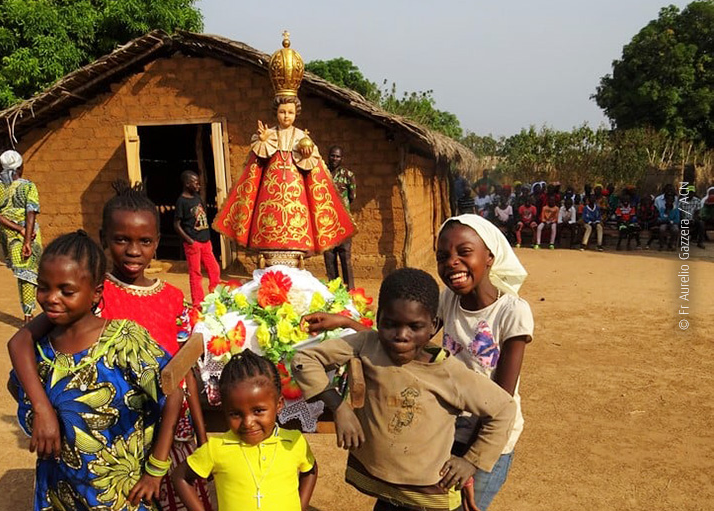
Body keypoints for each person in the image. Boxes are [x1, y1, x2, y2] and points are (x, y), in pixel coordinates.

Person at [7, 183, 213, 511]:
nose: (133, 250)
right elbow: (20, 342)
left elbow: (179, 374)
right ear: (104, 239)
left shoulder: (169, 298)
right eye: (122, 240)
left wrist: (201, 437)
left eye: (144, 241)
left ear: (156, 244)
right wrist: (43, 408)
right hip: (88, 449)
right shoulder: (83, 288)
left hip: (147, 434)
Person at [293, 268, 516, 511]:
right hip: (381, 487)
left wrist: (471, 462)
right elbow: (304, 360)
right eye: (391, 325)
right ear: (379, 320)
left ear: (434, 326)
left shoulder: (449, 374)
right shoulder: (368, 344)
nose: (401, 336)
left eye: (414, 326)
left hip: (427, 496)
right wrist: (339, 408)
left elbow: (503, 409)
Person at [213, 33, 354, 256]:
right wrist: (262, 141)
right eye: (281, 112)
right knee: (268, 221)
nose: (286, 116)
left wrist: (307, 153)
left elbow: (313, 169)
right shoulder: (267, 134)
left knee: (299, 220)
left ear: (296, 113)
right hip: (270, 193)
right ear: (275, 112)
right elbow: (255, 167)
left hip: (297, 191)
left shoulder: (301, 136)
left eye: (290, 112)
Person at [435, 215, 533, 511]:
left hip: (490, 438)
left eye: (464, 252)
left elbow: (501, 398)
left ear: (489, 257)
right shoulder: (447, 300)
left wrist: (471, 459)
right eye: (443, 256)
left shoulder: (512, 311)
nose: (452, 262)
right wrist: (347, 323)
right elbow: (404, 335)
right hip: (450, 430)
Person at [173, 350, 318, 511]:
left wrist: (300, 506)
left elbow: (310, 469)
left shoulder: (293, 442)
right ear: (224, 410)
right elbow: (181, 477)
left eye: (258, 411)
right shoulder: (216, 448)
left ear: (279, 404)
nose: (248, 423)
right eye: (235, 414)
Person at [0, 149, 42, 323]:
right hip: (29, 234)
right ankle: (28, 316)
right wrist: (25, 235)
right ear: (21, 166)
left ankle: (29, 313)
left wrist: (17, 230)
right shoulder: (28, 186)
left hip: (9, 235)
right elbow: (31, 212)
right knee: (28, 274)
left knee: (23, 274)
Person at [175, 171, 221, 307]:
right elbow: (176, 224)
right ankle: (197, 303)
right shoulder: (181, 201)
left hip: (205, 242)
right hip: (193, 243)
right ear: (187, 184)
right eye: (195, 183)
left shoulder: (197, 198)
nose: (198, 185)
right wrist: (190, 241)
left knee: (214, 269)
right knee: (196, 273)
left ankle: (216, 296)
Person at [323, 145, 357, 289]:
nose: (335, 159)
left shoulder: (348, 175)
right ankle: (334, 289)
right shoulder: (322, 174)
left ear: (342, 158)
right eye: (332, 156)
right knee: (329, 257)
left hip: (343, 222)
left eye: (337, 156)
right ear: (328, 156)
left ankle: (350, 290)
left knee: (345, 256)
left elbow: (352, 196)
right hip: (326, 222)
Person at [678, 185, 705, 249]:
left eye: (691, 192)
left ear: (694, 193)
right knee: (678, 223)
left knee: (701, 223)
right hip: (683, 219)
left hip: (693, 219)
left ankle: (700, 242)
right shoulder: (681, 201)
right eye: (689, 192)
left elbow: (697, 212)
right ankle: (679, 240)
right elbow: (679, 212)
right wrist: (683, 218)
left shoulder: (697, 200)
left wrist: (693, 219)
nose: (690, 194)